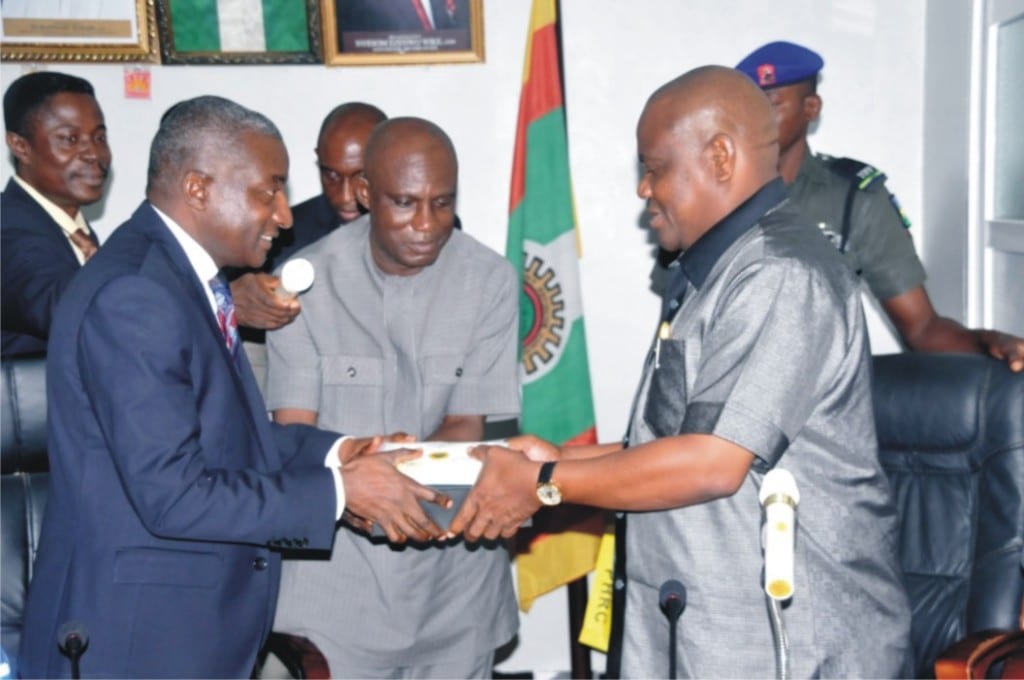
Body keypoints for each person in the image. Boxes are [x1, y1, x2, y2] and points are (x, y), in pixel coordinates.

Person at [451, 66, 912, 677]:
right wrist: (555, 459)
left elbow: (712, 463)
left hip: (789, 646)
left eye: (655, 166)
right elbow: (672, 445)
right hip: (708, 630)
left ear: (720, 156)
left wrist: (544, 482)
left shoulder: (780, 273)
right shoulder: (717, 270)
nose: (644, 189)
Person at [17, 96, 450, 678]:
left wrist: (342, 451)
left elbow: (227, 436)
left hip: (185, 631)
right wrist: (341, 492)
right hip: (137, 642)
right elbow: (174, 493)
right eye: (268, 190)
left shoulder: (178, 277)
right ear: (198, 189)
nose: (286, 215)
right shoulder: (136, 296)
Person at [266, 116, 520, 678]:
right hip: (338, 584)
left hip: (453, 579)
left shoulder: (490, 280)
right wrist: (364, 487)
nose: (426, 225)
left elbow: (467, 425)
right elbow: (294, 439)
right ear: (363, 193)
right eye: (404, 202)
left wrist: (399, 489)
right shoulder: (303, 284)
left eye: (442, 202)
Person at [734, 40, 1024, 371]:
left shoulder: (854, 199)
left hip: (810, 403)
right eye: (745, 107)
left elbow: (923, 329)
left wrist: (988, 342)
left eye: (770, 106)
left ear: (811, 108)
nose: (754, 120)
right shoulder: (710, 196)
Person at [2, 71, 107, 357]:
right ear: (20, 146)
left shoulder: (73, 230)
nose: (93, 154)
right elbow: (65, 309)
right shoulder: (8, 227)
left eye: (99, 137)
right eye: (70, 139)